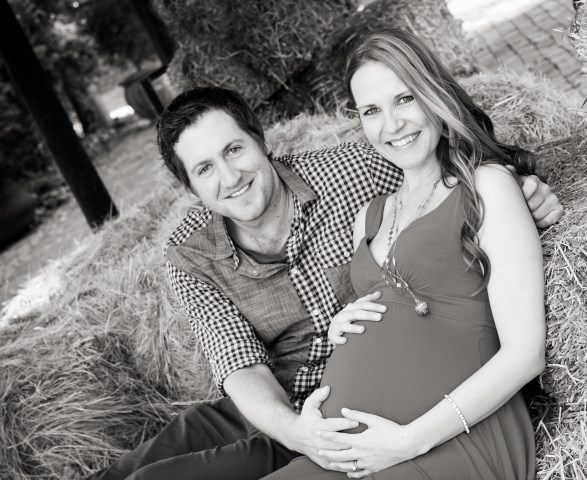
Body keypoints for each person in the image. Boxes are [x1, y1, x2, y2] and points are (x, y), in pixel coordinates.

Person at [87, 59, 561, 480]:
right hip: (275, 409)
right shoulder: (190, 252)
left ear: (261, 142)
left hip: (352, 413)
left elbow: (440, 169)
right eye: (204, 169)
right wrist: (297, 431)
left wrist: (524, 187)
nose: (230, 177)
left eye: (234, 150)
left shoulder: (354, 171)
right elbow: (239, 365)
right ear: (191, 189)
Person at [262, 28, 545, 480]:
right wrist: (341, 326)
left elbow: (526, 353)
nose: (391, 125)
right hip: (351, 455)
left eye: (405, 99)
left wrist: (406, 441)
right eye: (372, 111)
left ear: (435, 96)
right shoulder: (370, 216)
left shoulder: (485, 187)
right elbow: (394, 317)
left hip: (448, 444)